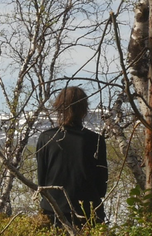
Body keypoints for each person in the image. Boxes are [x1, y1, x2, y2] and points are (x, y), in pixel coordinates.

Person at [36, 86, 107, 228]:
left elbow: (42, 183)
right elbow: (101, 186)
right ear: (84, 109)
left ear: (59, 107)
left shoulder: (47, 138)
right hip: (89, 211)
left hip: (53, 211)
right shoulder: (96, 140)